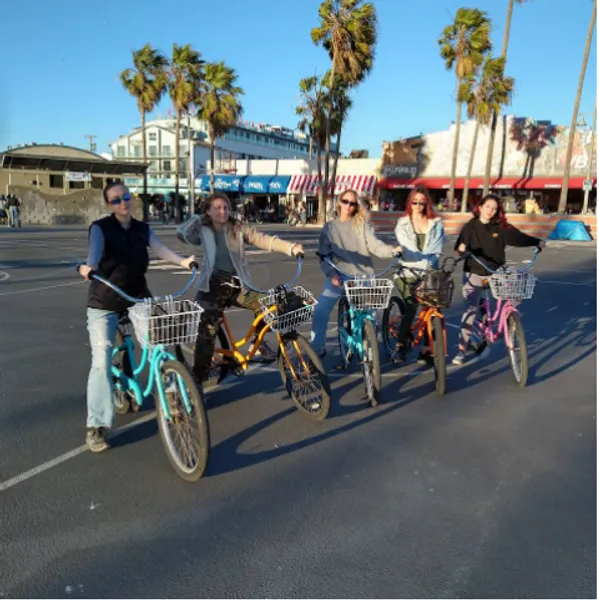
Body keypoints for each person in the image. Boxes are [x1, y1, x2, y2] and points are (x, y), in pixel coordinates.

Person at [78, 182, 196, 452]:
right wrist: (89, 267)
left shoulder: (143, 228)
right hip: (104, 301)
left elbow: (159, 249)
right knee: (101, 362)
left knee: (157, 344)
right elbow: (94, 254)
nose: (123, 203)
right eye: (116, 200)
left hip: (137, 297)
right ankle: (96, 425)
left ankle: (171, 398)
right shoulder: (100, 228)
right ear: (108, 204)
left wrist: (182, 262)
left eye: (126, 197)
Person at [176, 192, 304, 383]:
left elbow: (263, 240)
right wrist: (197, 217)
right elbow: (183, 234)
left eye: (226, 207)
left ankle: (258, 343)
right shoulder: (203, 229)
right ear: (208, 211)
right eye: (217, 208)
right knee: (207, 330)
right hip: (210, 288)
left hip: (237, 287)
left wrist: (291, 248)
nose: (223, 211)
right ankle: (197, 378)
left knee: (269, 305)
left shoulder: (237, 228)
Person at [453, 193, 545, 366]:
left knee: (516, 278)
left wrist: (536, 242)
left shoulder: (500, 227)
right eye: (488, 207)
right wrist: (462, 249)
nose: (490, 211)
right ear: (480, 207)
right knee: (471, 310)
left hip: (496, 270)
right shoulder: (470, 226)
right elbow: (459, 248)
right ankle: (461, 350)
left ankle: (510, 318)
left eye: (494, 208)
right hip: (474, 270)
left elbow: (518, 237)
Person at [311, 189, 402, 358]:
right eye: (345, 201)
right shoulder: (330, 228)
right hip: (338, 276)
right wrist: (331, 274)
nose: (348, 206)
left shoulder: (362, 225)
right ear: (339, 202)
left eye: (352, 203)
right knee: (321, 310)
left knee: (368, 318)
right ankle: (316, 350)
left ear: (356, 206)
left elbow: (375, 246)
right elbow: (323, 256)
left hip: (363, 277)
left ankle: (368, 354)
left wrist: (392, 251)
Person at [392, 186, 445, 364]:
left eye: (422, 202)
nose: (418, 206)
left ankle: (427, 347)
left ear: (426, 203)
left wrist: (429, 271)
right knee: (412, 305)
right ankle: (400, 345)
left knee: (434, 307)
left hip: (430, 270)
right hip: (408, 271)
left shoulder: (436, 224)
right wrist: (424, 264)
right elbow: (409, 250)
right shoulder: (403, 224)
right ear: (410, 203)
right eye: (414, 202)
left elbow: (435, 250)